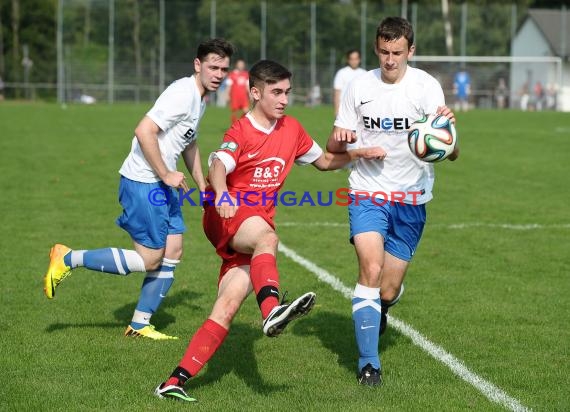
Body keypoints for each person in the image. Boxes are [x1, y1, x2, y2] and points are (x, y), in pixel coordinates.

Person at [154, 59, 385, 402]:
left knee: (227, 305)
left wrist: (359, 153)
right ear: (255, 93)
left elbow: (323, 162)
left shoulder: (291, 129)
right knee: (268, 238)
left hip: (250, 220)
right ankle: (271, 310)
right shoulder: (240, 131)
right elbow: (218, 165)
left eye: (288, 92)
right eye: (276, 92)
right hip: (227, 214)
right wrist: (223, 193)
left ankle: (174, 381)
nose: (284, 99)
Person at [42, 38, 235, 340]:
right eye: (213, 67)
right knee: (149, 260)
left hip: (161, 183)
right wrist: (166, 173)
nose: (219, 74)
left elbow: (189, 141)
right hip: (144, 181)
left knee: (173, 250)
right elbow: (144, 130)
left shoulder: (200, 99)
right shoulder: (182, 94)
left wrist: (202, 185)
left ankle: (140, 323)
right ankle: (68, 258)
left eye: (224, 68)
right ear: (198, 65)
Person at [326, 16, 459, 387]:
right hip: (367, 191)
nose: (390, 59)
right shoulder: (359, 86)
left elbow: (453, 153)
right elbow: (334, 147)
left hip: (411, 198)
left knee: (386, 287)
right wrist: (341, 137)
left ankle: (382, 305)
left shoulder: (427, 88)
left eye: (397, 52)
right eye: (384, 51)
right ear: (376, 48)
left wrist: (446, 137)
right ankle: (369, 363)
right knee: (369, 270)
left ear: (410, 51)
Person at [333, 49, 367, 117]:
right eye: (352, 59)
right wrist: (336, 110)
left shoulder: (364, 74)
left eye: (356, 59)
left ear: (359, 59)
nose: (354, 61)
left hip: (360, 110)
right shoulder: (341, 73)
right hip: (345, 109)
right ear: (348, 60)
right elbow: (337, 92)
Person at [226, 58, 250, 122]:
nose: (241, 66)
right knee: (234, 112)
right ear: (236, 65)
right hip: (235, 97)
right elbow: (229, 86)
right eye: (239, 64)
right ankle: (234, 126)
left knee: (246, 111)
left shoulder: (246, 74)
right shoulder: (232, 74)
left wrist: (250, 94)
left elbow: (247, 86)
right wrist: (227, 95)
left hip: (244, 97)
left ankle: (241, 122)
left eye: (242, 64)